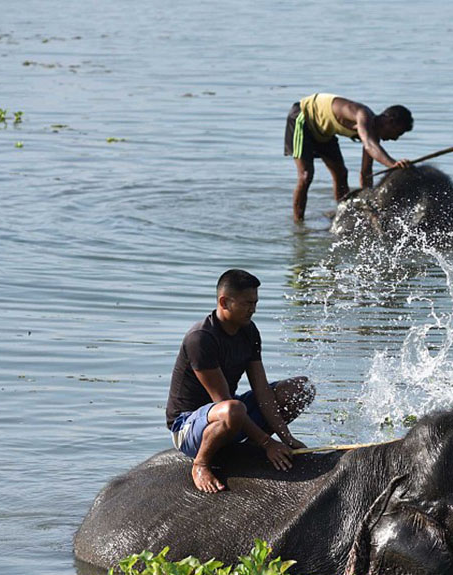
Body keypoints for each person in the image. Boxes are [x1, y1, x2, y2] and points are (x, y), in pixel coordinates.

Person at [165, 269, 314, 493]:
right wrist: (268, 442)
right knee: (233, 408)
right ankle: (201, 463)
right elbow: (222, 400)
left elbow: (262, 390)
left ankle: (250, 448)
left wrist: (286, 437)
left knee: (301, 388)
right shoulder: (200, 339)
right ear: (224, 302)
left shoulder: (249, 332)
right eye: (246, 303)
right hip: (189, 427)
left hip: (227, 415)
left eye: (255, 303)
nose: (252, 309)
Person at [285, 93, 414, 222]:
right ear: (390, 121)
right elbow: (369, 145)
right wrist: (393, 164)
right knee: (306, 176)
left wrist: (370, 207)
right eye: (398, 132)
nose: (395, 138)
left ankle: (342, 215)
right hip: (304, 118)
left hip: (324, 132)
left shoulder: (372, 135)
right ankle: (298, 224)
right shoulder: (363, 114)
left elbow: (366, 173)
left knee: (341, 174)